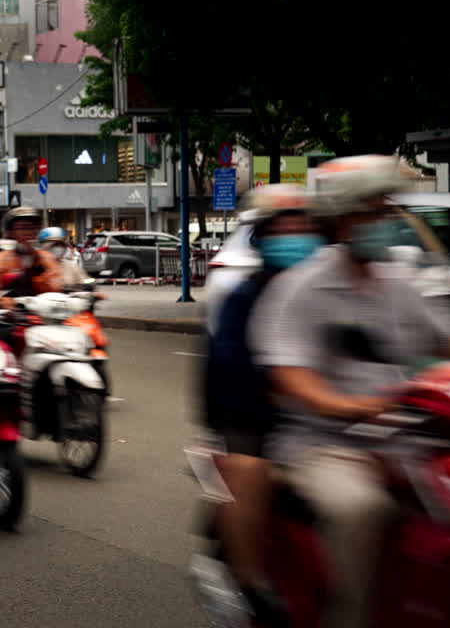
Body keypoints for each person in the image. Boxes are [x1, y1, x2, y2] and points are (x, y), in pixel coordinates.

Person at [249, 155, 450, 628]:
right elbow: (293, 378)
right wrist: (355, 406)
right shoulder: (300, 289)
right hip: (328, 446)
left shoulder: (401, 281)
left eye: (387, 209)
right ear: (343, 220)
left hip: (412, 438)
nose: (386, 221)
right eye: (374, 210)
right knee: (362, 508)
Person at [202, 184, 323, 624]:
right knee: (248, 470)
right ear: (263, 236)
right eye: (283, 226)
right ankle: (252, 586)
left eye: (303, 224)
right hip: (257, 414)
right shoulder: (244, 295)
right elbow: (232, 367)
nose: (295, 234)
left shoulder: (343, 285)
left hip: (341, 414)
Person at [0, 206, 64, 307]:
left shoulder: (47, 259)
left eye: (34, 228)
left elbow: (57, 291)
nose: (30, 233)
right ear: (11, 233)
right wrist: (5, 301)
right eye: (24, 228)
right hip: (10, 318)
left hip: (46, 316)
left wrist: (38, 275)